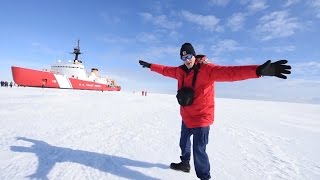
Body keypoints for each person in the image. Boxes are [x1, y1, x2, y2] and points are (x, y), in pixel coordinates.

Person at [138, 43, 291, 180]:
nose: (187, 60)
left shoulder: (207, 69)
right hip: (186, 116)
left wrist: (258, 70)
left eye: (189, 56)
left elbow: (230, 73)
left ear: (194, 55)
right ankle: (185, 164)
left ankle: (204, 177)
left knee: (199, 151)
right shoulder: (180, 71)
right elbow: (165, 70)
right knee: (183, 142)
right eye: (183, 57)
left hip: (202, 118)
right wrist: (151, 66)